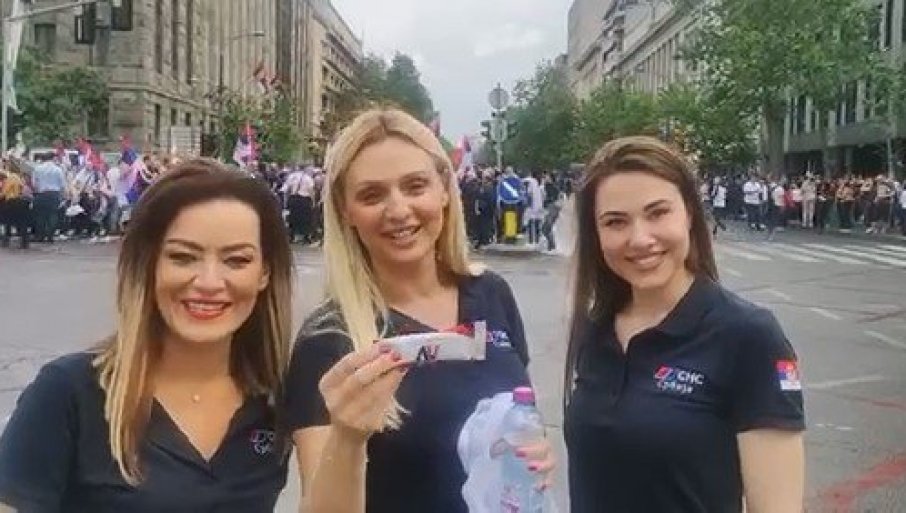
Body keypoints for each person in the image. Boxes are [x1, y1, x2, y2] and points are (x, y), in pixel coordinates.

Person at [283, 108, 555, 513]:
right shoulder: (327, 340)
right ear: (345, 211)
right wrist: (348, 439)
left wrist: (534, 454)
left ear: (444, 189)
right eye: (372, 195)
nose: (398, 210)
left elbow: (517, 418)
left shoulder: (491, 293)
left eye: (415, 186)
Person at [0, 159, 295, 512]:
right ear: (149, 264)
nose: (209, 282)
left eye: (236, 260)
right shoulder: (69, 393)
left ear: (264, 273)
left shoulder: (276, 401)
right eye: (183, 257)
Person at [563, 136, 805, 513]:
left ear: (689, 213)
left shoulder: (748, 335)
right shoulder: (597, 329)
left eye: (657, 213)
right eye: (615, 222)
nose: (640, 239)